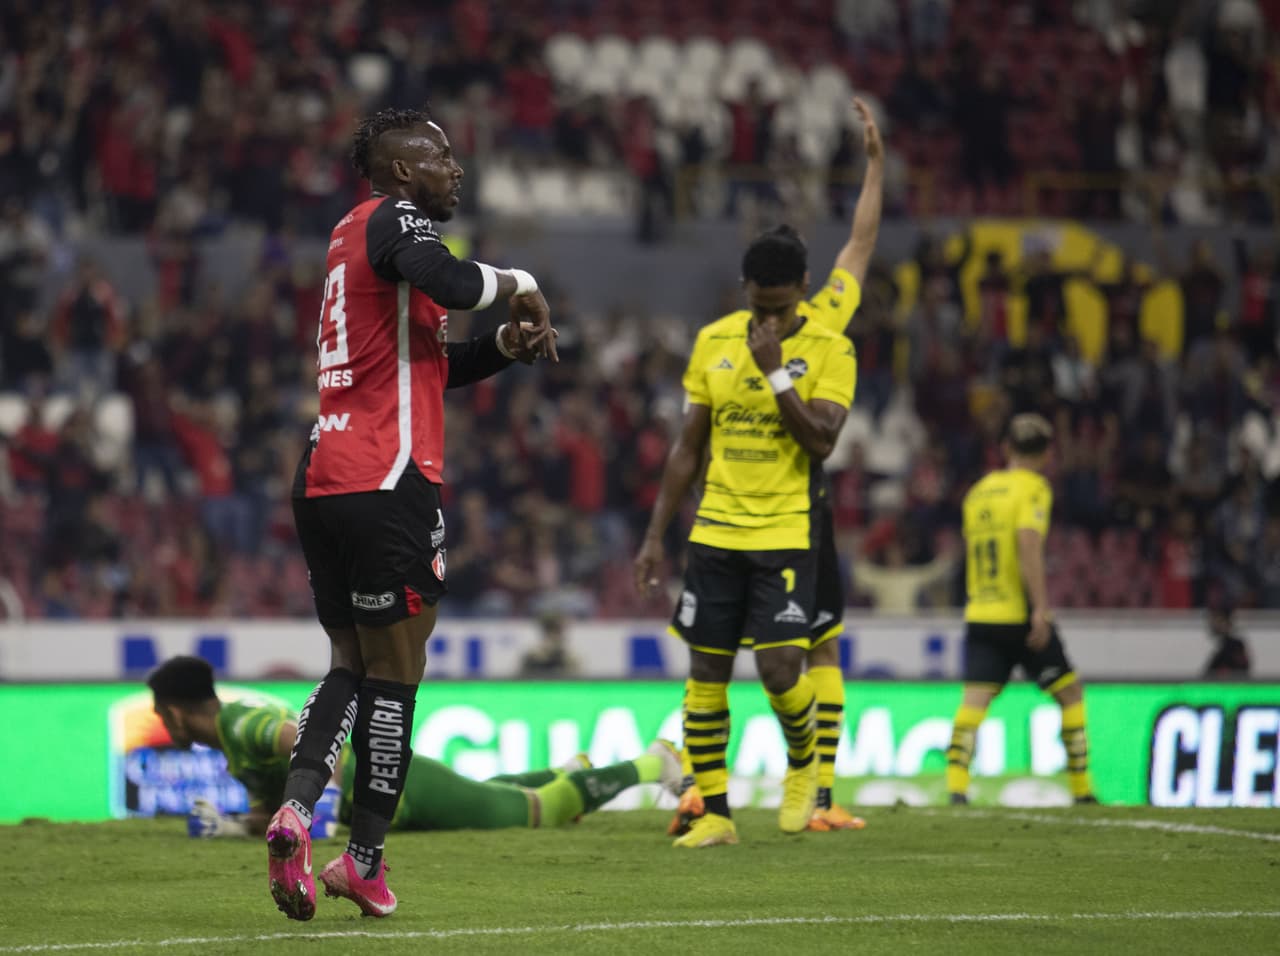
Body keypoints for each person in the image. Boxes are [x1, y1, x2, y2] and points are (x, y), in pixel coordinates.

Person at [269, 106, 557, 922]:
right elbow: (462, 285)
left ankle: (294, 810)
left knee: (348, 665)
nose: (455, 170)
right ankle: (362, 861)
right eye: (440, 157)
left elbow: (433, 363)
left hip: (324, 473)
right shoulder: (398, 218)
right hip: (388, 480)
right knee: (398, 675)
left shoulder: (349, 236)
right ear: (401, 172)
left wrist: (504, 346)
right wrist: (526, 285)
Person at [633, 106, 875, 850]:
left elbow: (824, 440)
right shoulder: (711, 342)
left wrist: (776, 375)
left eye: (779, 307)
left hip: (786, 531)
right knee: (706, 672)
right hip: (714, 533)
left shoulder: (831, 345)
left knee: (777, 670)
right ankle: (716, 815)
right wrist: (653, 537)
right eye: (755, 306)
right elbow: (687, 446)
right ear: (743, 288)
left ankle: (807, 762)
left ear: (802, 288)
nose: (766, 319)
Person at [148, 656, 684, 849]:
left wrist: (328, 802)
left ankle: (654, 763)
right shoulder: (233, 750)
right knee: (491, 796)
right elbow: (279, 812)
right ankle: (567, 771)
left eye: (159, 712)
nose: (159, 722)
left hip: (397, 790)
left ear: (175, 712)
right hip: (392, 806)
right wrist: (233, 826)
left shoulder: (242, 724)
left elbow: (305, 739)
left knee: (534, 813)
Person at [945, 414, 1097, 806]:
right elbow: (1027, 543)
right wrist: (1040, 609)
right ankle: (1081, 791)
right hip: (1019, 615)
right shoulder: (1033, 488)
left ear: (1005, 448)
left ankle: (956, 788)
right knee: (1069, 692)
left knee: (973, 703)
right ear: (1047, 453)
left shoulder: (977, 492)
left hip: (981, 613)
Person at [1203, 602, 1251, 678]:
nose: (1214, 623)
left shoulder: (1235, 646)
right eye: (1213, 619)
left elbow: (1242, 672)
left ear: (1227, 622)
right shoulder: (1220, 645)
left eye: (1218, 620)